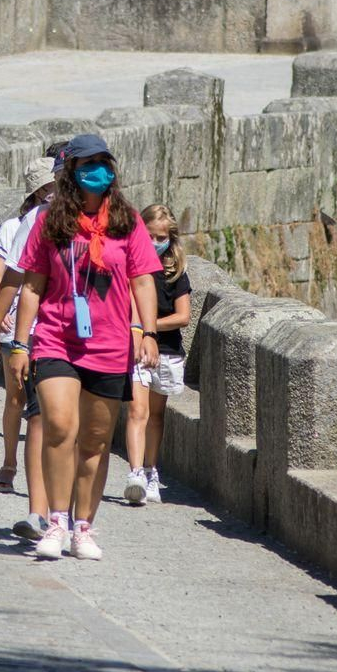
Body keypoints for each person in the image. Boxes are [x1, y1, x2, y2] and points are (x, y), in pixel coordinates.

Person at [6, 133, 161, 562]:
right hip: (56, 339)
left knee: (94, 441)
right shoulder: (50, 221)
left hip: (110, 345)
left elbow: (143, 279)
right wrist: (20, 344)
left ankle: (84, 527)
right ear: (71, 170)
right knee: (59, 426)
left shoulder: (127, 221)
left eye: (104, 162)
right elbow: (33, 285)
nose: (98, 170)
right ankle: (55, 522)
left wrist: (147, 332)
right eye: (88, 163)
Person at [0, 157, 57, 540]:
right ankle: (13, 468)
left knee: (51, 417)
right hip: (22, 326)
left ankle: (60, 511)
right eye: (47, 187)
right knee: (22, 403)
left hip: (57, 333)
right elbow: (4, 276)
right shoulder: (21, 225)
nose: (52, 192)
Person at [123, 204, 192, 506]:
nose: (154, 242)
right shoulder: (133, 268)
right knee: (138, 411)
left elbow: (183, 316)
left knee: (156, 415)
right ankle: (135, 473)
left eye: (160, 237)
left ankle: (151, 471)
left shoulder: (175, 274)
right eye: (149, 236)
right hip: (138, 347)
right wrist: (140, 332)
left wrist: (150, 326)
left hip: (167, 351)